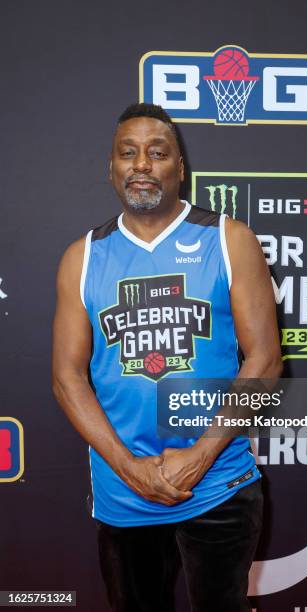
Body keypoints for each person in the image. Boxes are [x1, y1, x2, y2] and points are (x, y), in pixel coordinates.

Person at [52, 102, 282, 612]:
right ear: (109, 167)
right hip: (124, 491)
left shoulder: (229, 240)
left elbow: (264, 360)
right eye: (127, 153)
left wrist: (198, 458)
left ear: (179, 169)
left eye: (157, 153)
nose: (141, 164)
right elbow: (67, 378)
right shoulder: (83, 257)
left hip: (218, 483)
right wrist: (131, 469)